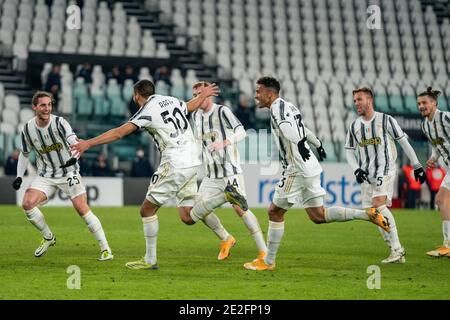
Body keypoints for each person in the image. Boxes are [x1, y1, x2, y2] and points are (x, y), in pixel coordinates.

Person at [70, 80, 247, 270]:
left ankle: (150, 259)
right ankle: (225, 229)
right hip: (193, 160)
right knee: (187, 216)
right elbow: (189, 106)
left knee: (146, 210)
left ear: (136, 95)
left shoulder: (147, 110)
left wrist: (88, 143)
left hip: (175, 163)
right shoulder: (170, 100)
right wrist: (203, 96)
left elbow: (119, 133)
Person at [243, 77, 391, 271]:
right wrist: (317, 143)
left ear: (270, 94)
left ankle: (268, 261)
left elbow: (290, 130)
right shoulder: (290, 107)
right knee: (317, 215)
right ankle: (367, 215)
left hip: (296, 169)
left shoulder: (277, 109)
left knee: (274, 211)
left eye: (258, 92)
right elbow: (301, 127)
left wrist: (299, 144)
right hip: (309, 167)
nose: (256, 95)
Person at [12, 91, 113, 260]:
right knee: (27, 203)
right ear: (34, 107)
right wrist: (19, 176)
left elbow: (76, 144)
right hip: (45, 174)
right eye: (43, 105)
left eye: (49, 105)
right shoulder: (28, 129)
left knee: (81, 208)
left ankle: (106, 249)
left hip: (68, 172)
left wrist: (74, 159)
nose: (47, 108)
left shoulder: (60, 123)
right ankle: (48, 237)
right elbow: (24, 153)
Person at [345, 87, 426, 264]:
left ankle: (397, 249)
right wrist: (356, 169)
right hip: (367, 175)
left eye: (359, 99)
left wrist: (417, 165)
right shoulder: (354, 126)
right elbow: (349, 151)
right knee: (372, 213)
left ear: (369, 100)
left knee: (378, 205)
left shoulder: (386, 120)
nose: (356, 103)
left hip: (385, 169)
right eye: (355, 101)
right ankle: (393, 250)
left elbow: (403, 141)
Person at [190, 81, 267, 260]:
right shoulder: (196, 117)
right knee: (199, 209)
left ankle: (263, 251)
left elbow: (242, 131)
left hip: (230, 171)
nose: (197, 98)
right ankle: (226, 238)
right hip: (211, 175)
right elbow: (198, 142)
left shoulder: (222, 111)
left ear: (208, 94)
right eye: (194, 95)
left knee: (240, 209)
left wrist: (224, 143)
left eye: (200, 93)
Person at [418, 87, 450, 257]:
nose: (421, 106)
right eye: (419, 103)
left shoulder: (445, 117)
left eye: (424, 102)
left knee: (441, 199)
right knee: (442, 200)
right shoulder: (425, 126)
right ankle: (448, 244)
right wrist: (433, 158)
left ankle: (448, 244)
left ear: (434, 103)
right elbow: (437, 145)